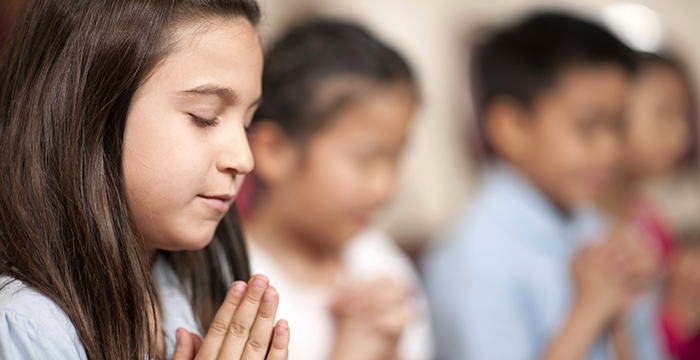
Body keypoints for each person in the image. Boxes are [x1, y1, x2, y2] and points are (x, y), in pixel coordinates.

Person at [0, 1, 289, 359]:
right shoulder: (27, 325)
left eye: (246, 122)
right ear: (89, 111)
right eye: (205, 117)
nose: (244, 159)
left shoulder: (182, 288)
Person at [423, 12, 664, 360]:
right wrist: (589, 312)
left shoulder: (598, 229)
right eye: (588, 126)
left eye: (618, 124)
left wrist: (621, 314)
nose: (611, 149)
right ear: (512, 127)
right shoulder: (473, 261)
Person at [237, 20, 434, 360]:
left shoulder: (380, 261)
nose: (386, 187)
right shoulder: (235, 285)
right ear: (274, 151)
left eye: (395, 157)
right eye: (365, 160)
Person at [601, 52, 700, 360]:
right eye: (664, 114)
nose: (681, 134)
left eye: (684, 116)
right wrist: (677, 321)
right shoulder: (598, 231)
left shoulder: (645, 213)